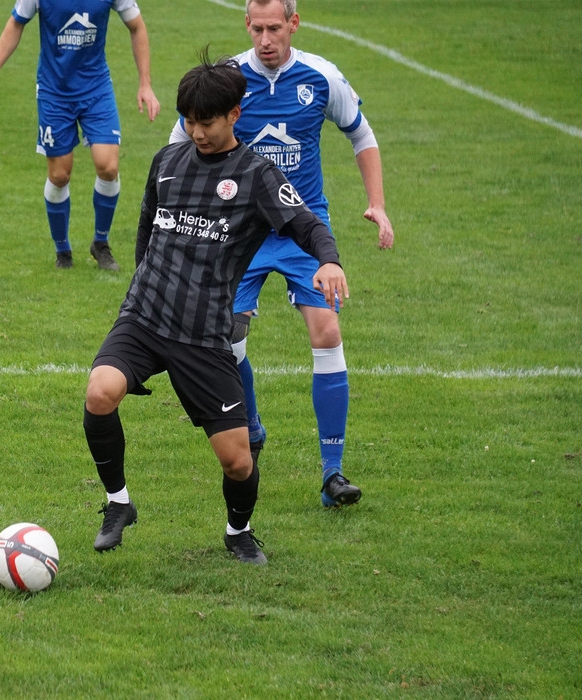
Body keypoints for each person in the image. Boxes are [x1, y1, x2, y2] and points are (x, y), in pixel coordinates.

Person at [85, 53, 348, 565]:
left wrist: (329, 261)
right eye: (189, 121)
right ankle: (118, 504)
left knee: (238, 462)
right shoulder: (167, 162)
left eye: (206, 122)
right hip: (145, 317)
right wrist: (141, 286)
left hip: (204, 334)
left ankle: (238, 532)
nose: (196, 132)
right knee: (100, 392)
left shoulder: (257, 176)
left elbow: (307, 224)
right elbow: (147, 227)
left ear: (234, 114)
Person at [169, 0, 394, 507]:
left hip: (302, 228)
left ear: (294, 23)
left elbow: (361, 134)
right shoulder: (229, 79)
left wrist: (377, 204)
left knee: (327, 330)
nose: (265, 39)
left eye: (275, 28)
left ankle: (333, 473)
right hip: (238, 230)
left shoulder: (322, 77)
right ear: (246, 25)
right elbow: (182, 141)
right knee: (227, 338)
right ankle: (250, 425)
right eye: (257, 28)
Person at [0, 0, 161, 271]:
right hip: (54, 92)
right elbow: (16, 23)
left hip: (96, 89)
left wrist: (145, 84)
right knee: (59, 175)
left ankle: (100, 243)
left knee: (108, 167)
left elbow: (137, 27)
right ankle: (62, 249)